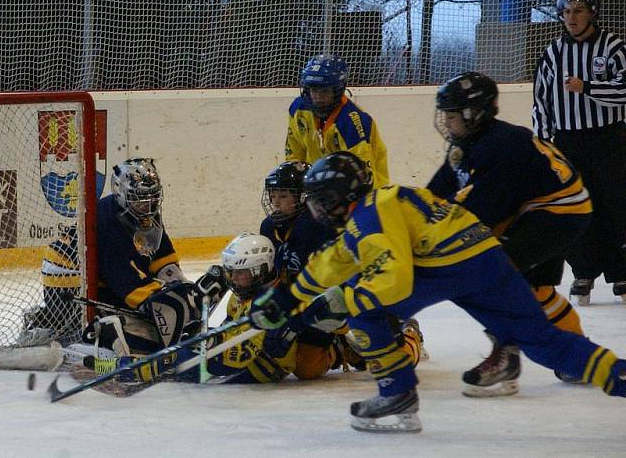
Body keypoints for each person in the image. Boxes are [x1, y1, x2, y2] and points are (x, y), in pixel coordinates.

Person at [249, 151, 626, 433]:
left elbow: (394, 279)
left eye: (316, 200)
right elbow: (335, 259)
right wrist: (291, 295)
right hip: (487, 259)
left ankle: (397, 394)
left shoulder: (370, 216)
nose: (313, 209)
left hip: (445, 267)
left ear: (334, 197)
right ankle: (618, 375)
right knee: (543, 341)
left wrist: (340, 301)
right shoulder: (375, 206)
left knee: (365, 312)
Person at [427, 71, 592, 391]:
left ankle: (509, 355)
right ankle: (576, 356)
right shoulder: (471, 143)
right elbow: (435, 194)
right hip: (539, 209)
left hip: (558, 213)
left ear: (473, 113)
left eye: (451, 114)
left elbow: (478, 217)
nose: (446, 122)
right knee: (534, 289)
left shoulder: (500, 147)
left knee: (489, 273)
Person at [83, 233, 357, 384]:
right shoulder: (245, 293)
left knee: (190, 360)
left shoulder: (275, 300)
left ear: (261, 271)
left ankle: (129, 368)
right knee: (192, 348)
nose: (234, 279)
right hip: (253, 359)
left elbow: (233, 356)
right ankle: (138, 361)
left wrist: (206, 348)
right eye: (231, 273)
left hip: (265, 366)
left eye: (241, 274)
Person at [21, 158, 223, 354]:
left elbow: (160, 253)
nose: (149, 203)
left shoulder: (143, 211)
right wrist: (164, 297)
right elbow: (123, 278)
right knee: (137, 317)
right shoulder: (106, 221)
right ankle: (46, 323)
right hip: (68, 282)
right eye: (141, 197)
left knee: (163, 303)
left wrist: (182, 288)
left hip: (102, 273)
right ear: (121, 194)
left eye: (153, 196)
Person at [260, 161, 425, 372]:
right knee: (306, 368)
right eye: (273, 195)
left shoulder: (319, 224)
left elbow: (340, 277)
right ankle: (342, 348)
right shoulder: (268, 227)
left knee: (395, 360)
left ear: (301, 196)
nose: (275, 203)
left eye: (283, 196)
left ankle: (409, 331)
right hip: (300, 306)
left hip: (335, 301)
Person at [532, 0, 626, 305]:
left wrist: (586, 87)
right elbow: (541, 102)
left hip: (610, 139)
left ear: (593, 13)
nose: (571, 18)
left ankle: (622, 273)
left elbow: (624, 90)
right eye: (566, 12)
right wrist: (544, 145)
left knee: (615, 206)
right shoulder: (552, 53)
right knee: (578, 206)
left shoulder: (613, 47)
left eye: (579, 11)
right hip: (568, 142)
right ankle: (583, 273)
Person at [285, 54, 389, 187]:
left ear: (338, 90)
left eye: (324, 91)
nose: (317, 97)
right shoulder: (298, 110)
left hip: (367, 192)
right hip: (321, 189)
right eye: (314, 90)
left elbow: (363, 176)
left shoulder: (352, 122)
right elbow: (294, 154)